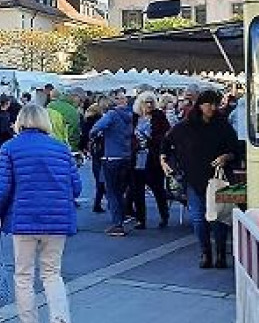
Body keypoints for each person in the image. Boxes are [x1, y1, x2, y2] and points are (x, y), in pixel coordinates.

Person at [0, 103, 81, 323]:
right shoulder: (61, 149)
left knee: (24, 276)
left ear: (19, 122)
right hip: (57, 221)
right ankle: (60, 321)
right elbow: (77, 187)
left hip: (24, 220)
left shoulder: (10, 148)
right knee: (52, 274)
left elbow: (1, 189)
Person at [161, 90, 238, 268]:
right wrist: (163, 158)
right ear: (200, 105)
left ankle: (220, 254)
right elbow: (166, 140)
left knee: (221, 216)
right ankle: (205, 252)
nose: (212, 107)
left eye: (215, 104)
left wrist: (226, 156)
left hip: (220, 178)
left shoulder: (223, 124)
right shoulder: (186, 125)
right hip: (194, 178)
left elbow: (235, 148)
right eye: (208, 104)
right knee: (198, 218)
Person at [90, 92, 134, 237]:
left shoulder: (112, 115)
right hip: (127, 157)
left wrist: (97, 135)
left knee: (112, 192)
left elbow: (96, 128)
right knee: (121, 190)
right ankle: (123, 216)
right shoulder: (131, 115)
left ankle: (117, 224)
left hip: (112, 157)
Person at [130, 91, 171, 229]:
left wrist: (151, 141)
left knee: (158, 189)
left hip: (153, 157)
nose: (148, 104)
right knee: (137, 190)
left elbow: (166, 135)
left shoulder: (159, 116)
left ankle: (164, 216)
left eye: (151, 102)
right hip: (137, 158)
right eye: (146, 102)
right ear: (140, 103)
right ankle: (141, 220)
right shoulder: (135, 118)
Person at [78, 99, 106, 213]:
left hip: (94, 152)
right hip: (103, 151)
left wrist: (83, 148)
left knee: (98, 177)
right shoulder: (102, 121)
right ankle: (100, 202)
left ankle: (98, 202)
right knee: (104, 177)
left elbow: (84, 137)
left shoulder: (86, 122)